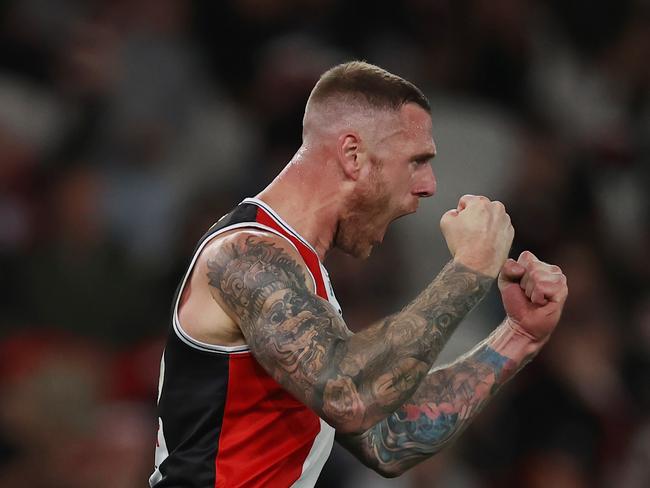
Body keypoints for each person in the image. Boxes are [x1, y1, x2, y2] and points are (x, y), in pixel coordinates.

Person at [149, 61, 568, 487]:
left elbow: (389, 439)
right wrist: (471, 267)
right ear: (353, 155)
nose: (429, 186)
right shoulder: (244, 256)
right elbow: (349, 396)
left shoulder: (305, 275)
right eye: (416, 161)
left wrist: (518, 335)